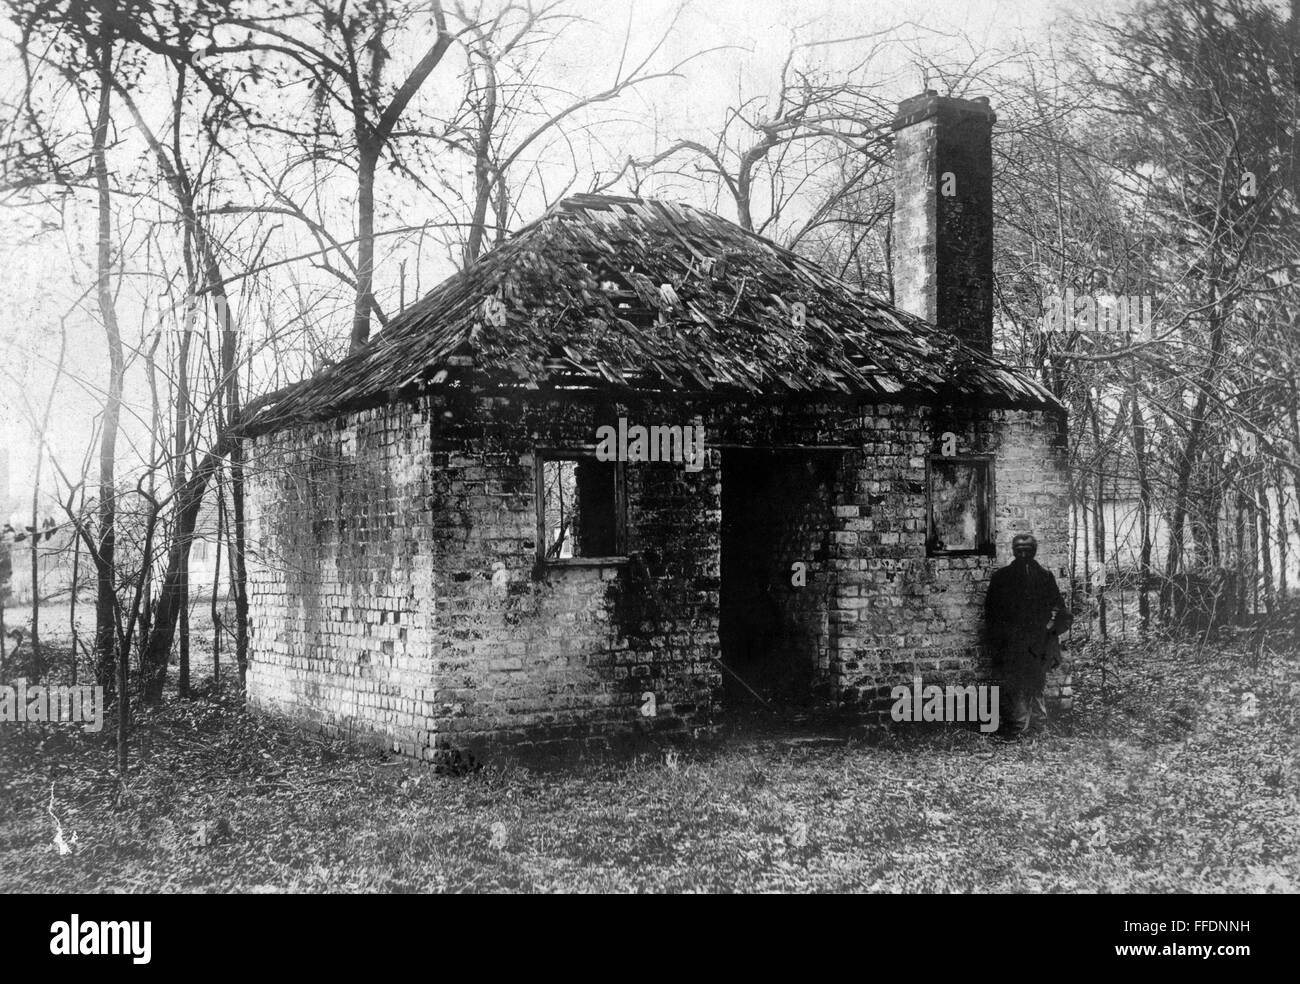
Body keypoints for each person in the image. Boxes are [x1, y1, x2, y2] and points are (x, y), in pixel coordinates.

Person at [984, 533, 1071, 736]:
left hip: (1038, 644)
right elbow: (991, 613)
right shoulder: (1001, 578)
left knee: (1036, 685)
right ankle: (1018, 728)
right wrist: (999, 641)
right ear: (1013, 550)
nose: (1023, 553)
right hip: (1012, 643)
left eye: (1028, 549)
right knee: (1014, 686)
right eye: (1019, 549)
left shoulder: (1045, 577)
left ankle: (1038, 728)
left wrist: (1050, 631)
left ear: (1035, 550)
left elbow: (1061, 611)